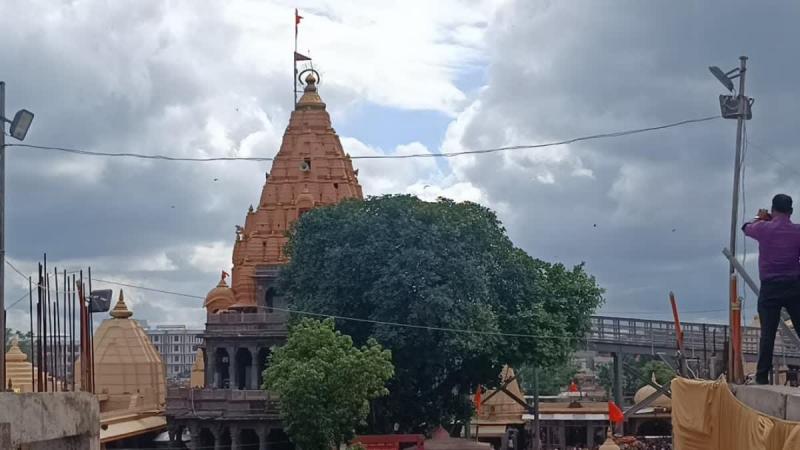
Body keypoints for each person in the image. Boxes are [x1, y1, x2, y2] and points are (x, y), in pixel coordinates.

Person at [742, 193, 800, 384]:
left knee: (768, 334)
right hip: (794, 285)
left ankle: (761, 377)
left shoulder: (763, 228)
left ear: (773, 210)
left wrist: (760, 218)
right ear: (791, 211)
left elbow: (745, 227)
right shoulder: (797, 231)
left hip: (770, 288)